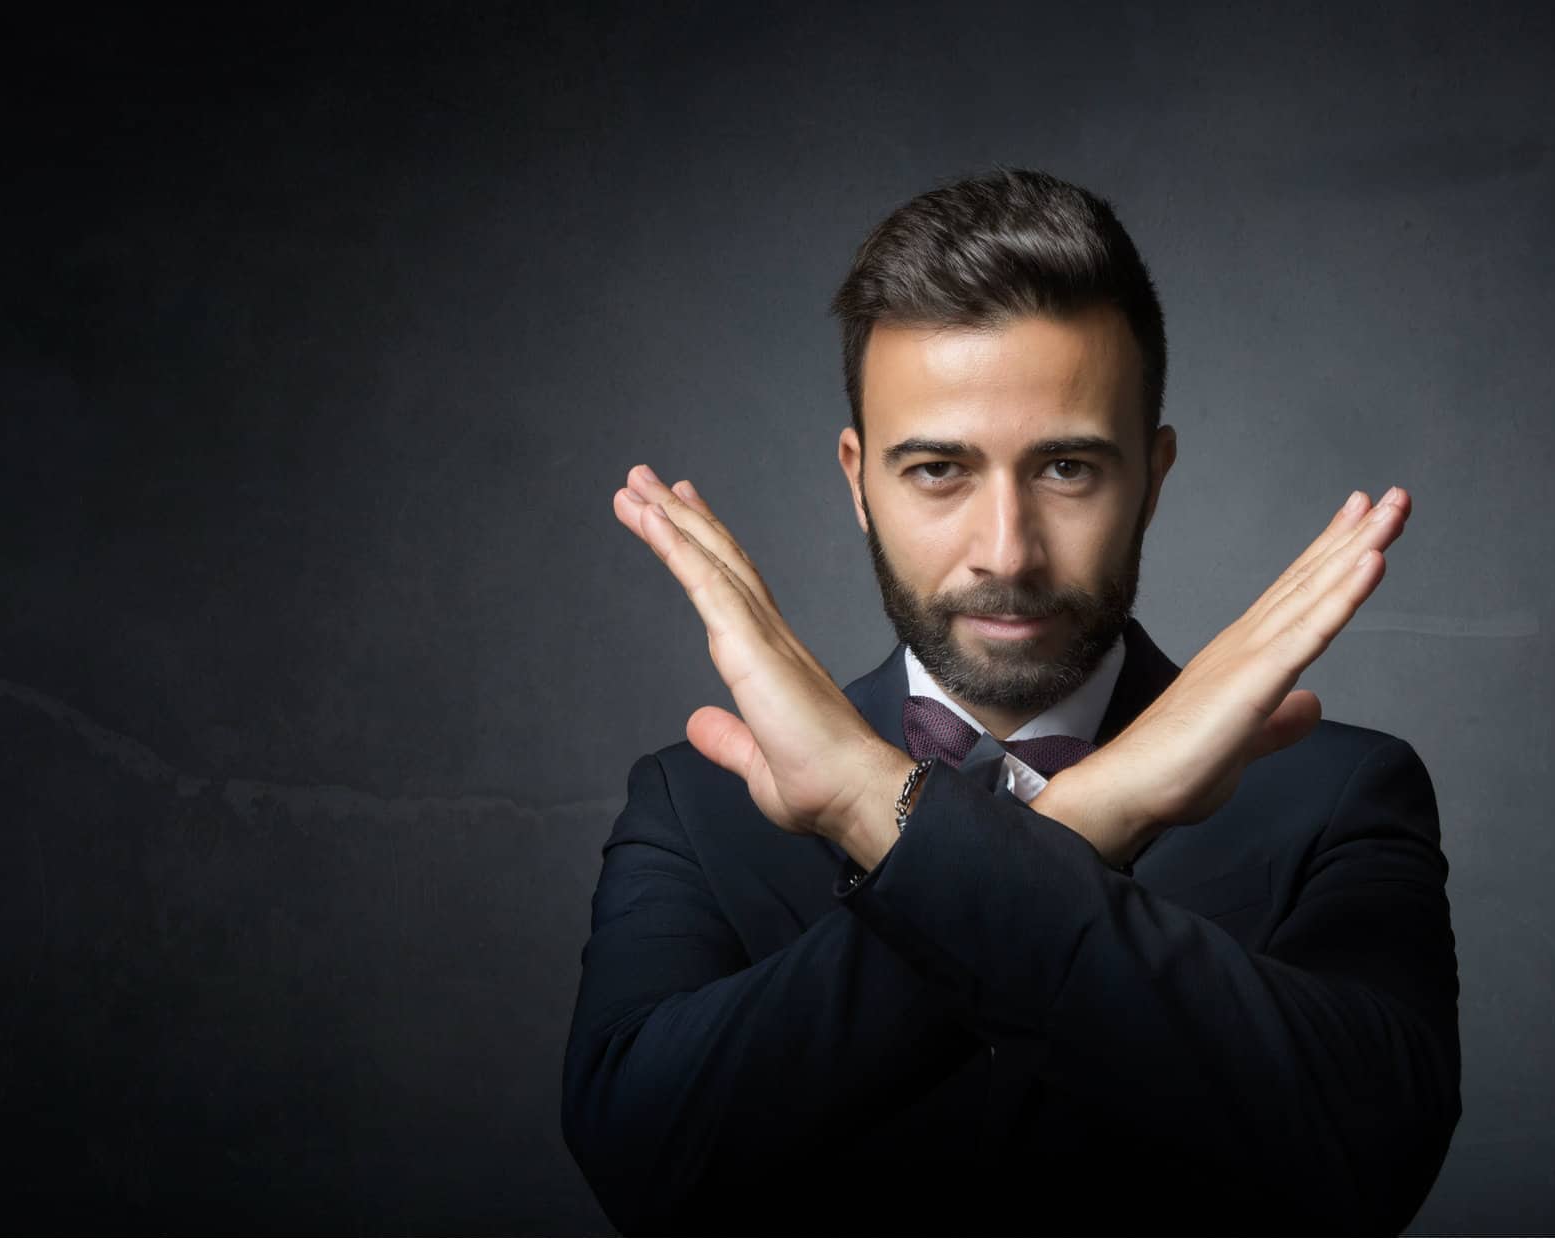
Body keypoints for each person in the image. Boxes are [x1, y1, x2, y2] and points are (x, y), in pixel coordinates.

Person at [560, 167, 1460, 1233]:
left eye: (1068, 468)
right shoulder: (690, 806)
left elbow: (1365, 1162)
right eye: (938, 469)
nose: (1006, 552)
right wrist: (1093, 817)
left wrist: (879, 816)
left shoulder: (1342, 791)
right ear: (857, 482)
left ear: (1154, 477)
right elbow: (647, 1165)